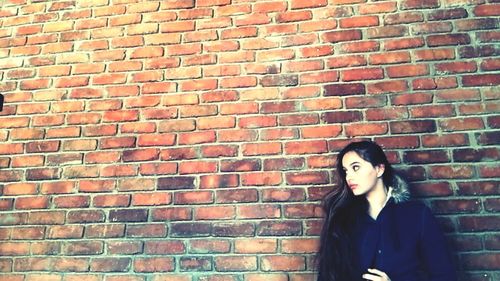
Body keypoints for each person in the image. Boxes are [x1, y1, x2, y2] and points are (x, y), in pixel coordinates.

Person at [316, 140, 457, 281]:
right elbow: (327, 275)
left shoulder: (417, 215)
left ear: (379, 169)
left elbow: (444, 275)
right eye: (346, 171)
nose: (349, 177)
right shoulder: (342, 218)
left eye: (356, 167)